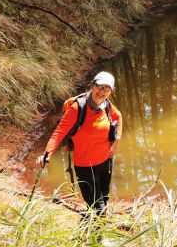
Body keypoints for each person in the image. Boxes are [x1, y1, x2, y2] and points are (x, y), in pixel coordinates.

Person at [36, 71, 122, 217]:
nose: (102, 91)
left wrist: (117, 139)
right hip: (85, 164)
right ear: (92, 85)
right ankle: (99, 236)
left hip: (106, 160)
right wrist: (47, 153)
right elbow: (59, 132)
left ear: (111, 91)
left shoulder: (106, 105)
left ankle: (94, 223)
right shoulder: (78, 108)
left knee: (104, 197)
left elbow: (118, 117)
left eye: (107, 88)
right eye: (99, 86)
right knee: (97, 205)